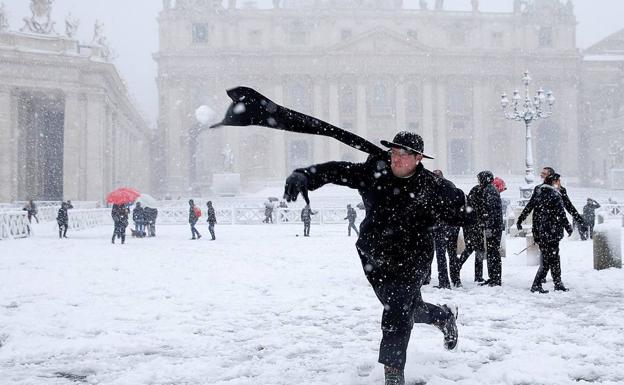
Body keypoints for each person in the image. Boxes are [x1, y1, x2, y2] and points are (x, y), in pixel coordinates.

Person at [283, 131, 471, 385]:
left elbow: (463, 211)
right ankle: (444, 317)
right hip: (375, 256)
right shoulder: (375, 172)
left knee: (396, 309)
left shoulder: (434, 186)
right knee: (409, 309)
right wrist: (305, 175)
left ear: (418, 158)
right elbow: (340, 170)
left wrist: (463, 212)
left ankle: (393, 374)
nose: (396, 159)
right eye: (393, 153)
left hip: (412, 257)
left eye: (403, 155)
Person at [518, 173, 573, 293]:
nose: (559, 184)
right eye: (558, 181)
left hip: (542, 232)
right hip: (552, 232)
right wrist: (568, 227)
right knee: (550, 259)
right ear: (554, 182)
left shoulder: (539, 193)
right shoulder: (555, 195)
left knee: (552, 259)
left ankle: (557, 283)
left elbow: (530, 208)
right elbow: (561, 214)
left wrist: (520, 220)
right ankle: (538, 284)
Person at [451, 171, 503, 287]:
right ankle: (462, 268)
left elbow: (482, 208)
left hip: (476, 224)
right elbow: (482, 209)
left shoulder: (483, 190)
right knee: (474, 248)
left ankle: (474, 273)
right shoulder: (482, 190)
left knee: (477, 248)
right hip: (474, 224)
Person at [425, 170, 460, 289]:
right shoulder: (451, 185)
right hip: (453, 225)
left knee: (440, 254)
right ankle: (456, 280)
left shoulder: (433, 188)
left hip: (441, 226)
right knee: (452, 253)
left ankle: (444, 281)